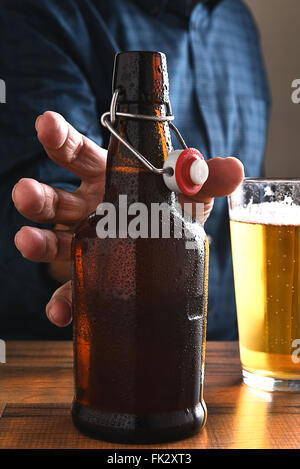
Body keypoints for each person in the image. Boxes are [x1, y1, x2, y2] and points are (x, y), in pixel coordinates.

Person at [0, 0, 269, 340]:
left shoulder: (236, 21)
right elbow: (36, 220)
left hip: (235, 356)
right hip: (109, 356)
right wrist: (106, 232)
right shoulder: (43, 12)